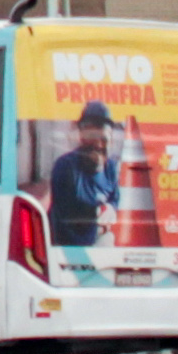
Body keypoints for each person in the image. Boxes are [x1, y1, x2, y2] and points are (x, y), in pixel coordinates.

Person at [43, 101, 124, 267]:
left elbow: (115, 199)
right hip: (70, 245)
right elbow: (65, 217)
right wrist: (96, 214)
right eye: (93, 139)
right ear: (82, 136)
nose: (99, 145)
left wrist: (110, 209)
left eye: (104, 140)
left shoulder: (110, 168)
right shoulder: (65, 167)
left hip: (100, 239)